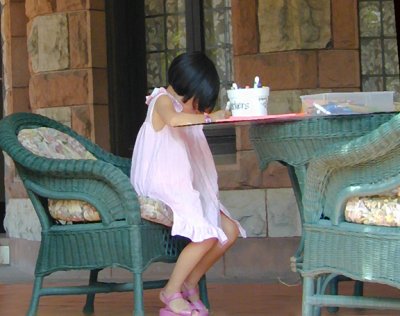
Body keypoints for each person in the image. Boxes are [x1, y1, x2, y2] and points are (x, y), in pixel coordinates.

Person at [130, 51, 246, 316]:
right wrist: (209, 118)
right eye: (199, 100)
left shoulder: (186, 111)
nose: (200, 108)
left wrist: (208, 116)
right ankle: (170, 291)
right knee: (205, 234)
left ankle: (189, 283)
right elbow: (173, 120)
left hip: (181, 186)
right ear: (188, 86)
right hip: (162, 186)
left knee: (229, 231)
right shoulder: (162, 100)